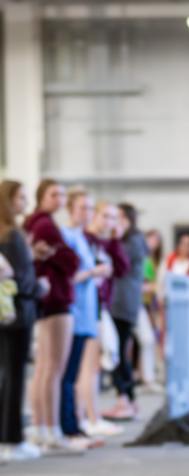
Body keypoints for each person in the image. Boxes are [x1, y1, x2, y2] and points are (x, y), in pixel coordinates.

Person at [24, 179, 81, 454]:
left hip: (47, 301)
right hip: (56, 300)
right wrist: (63, 253)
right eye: (53, 194)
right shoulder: (44, 224)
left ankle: (41, 427)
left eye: (61, 194)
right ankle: (52, 432)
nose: (59, 199)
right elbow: (72, 261)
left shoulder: (33, 224)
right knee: (53, 371)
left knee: (43, 370)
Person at [0, 180, 48, 462]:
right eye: (21, 198)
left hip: (6, 313)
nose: (25, 204)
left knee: (6, 374)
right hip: (18, 314)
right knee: (15, 376)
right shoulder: (12, 235)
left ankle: (7, 437)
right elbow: (24, 281)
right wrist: (42, 286)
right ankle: (12, 439)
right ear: (9, 201)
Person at [60, 189, 112, 445]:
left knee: (78, 371)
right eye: (82, 208)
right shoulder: (66, 235)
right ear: (70, 208)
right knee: (68, 374)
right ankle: (69, 428)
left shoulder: (80, 236)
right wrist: (95, 270)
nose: (87, 213)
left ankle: (76, 424)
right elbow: (70, 277)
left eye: (90, 208)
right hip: (73, 313)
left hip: (86, 313)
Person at [78, 200, 130, 437]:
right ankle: (90, 417)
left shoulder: (105, 242)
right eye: (105, 216)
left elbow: (121, 268)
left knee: (95, 365)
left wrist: (117, 240)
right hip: (88, 308)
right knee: (88, 367)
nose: (109, 222)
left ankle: (90, 416)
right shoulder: (84, 239)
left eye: (113, 218)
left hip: (101, 308)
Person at [103, 204, 147, 421]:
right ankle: (128, 399)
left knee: (116, 352)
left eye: (118, 217)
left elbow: (117, 263)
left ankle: (124, 400)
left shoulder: (133, 241)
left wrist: (113, 239)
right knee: (120, 351)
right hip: (123, 303)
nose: (114, 221)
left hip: (122, 304)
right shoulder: (133, 240)